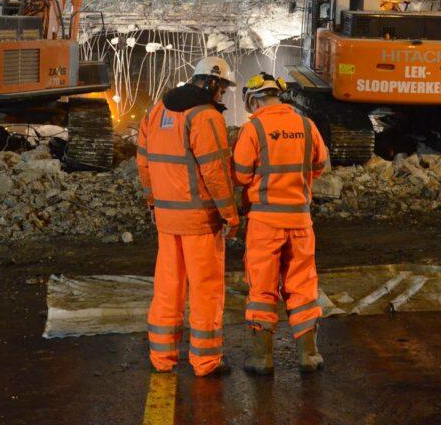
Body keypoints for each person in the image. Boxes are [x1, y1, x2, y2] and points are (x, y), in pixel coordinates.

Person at [136, 56, 239, 377]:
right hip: (200, 222)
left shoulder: (156, 111)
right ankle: (206, 361)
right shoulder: (205, 118)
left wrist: (154, 202)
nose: (221, 95)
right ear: (210, 82)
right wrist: (230, 215)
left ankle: (161, 358)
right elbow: (216, 173)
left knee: (168, 287)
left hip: (167, 221)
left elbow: (143, 164)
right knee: (206, 289)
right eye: (221, 88)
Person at [232, 72, 329, 375]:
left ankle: (262, 358)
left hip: (264, 223)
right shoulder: (306, 125)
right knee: (302, 285)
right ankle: (309, 355)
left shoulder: (254, 129)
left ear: (253, 99)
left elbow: (241, 175)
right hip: (300, 221)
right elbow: (319, 166)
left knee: (262, 288)